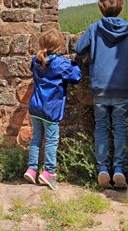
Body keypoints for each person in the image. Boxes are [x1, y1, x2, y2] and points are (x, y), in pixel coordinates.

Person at [75, 0, 128, 188]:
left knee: (101, 127)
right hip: (121, 87)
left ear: (101, 8)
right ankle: (119, 170)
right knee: (119, 128)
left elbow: (79, 49)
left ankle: (103, 169)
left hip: (100, 87)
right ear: (120, 7)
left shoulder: (94, 28)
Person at [23, 28, 81, 191]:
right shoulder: (61, 63)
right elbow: (75, 76)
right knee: (51, 140)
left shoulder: (35, 60)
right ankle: (49, 172)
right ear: (59, 47)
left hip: (36, 106)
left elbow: (35, 67)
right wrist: (74, 64)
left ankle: (32, 169)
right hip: (51, 108)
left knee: (36, 138)